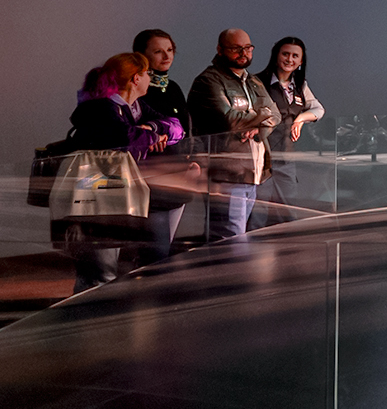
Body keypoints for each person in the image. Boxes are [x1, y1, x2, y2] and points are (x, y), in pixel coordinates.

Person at [64, 53, 183, 291]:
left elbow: (177, 127)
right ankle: (86, 321)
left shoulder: (135, 106)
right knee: (98, 271)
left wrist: (152, 127)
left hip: (115, 193)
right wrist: (152, 135)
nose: (151, 78)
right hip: (96, 197)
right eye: (148, 73)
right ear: (135, 78)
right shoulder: (97, 108)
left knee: (106, 267)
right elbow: (126, 138)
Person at [189, 29, 278, 242]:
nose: (243, 53)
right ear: (220, 50)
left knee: (242, 238)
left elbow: (276, 114)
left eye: (248, 48)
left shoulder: (253, 81)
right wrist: (263, 114)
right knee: (228, 240)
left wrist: (259, 128)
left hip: (255, 172)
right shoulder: (208, 81)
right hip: (225, 174)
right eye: (236, 48)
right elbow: (230, 119)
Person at [254, 37, 323, 225]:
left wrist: (300, 119)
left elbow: (319, 110)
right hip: (262, 160)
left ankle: (283, 252)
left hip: (286, 159)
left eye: (295, 56)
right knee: (257, 215)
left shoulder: (300, 86)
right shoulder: (257, 82)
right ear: (276, 56)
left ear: (301, 61)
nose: (289, 59)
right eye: (285, 54)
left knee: (287, 214)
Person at [134, 28, 192, 254]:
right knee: (154, 251)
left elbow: (183, 128)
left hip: (176, 174)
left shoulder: (173, 87)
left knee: (164, 248)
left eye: (170, 50)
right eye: (158, 51)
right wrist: (150, 133)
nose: (166, 56)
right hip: (149, 177)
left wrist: (190, 160)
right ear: (141, 55)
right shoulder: (139, 88)